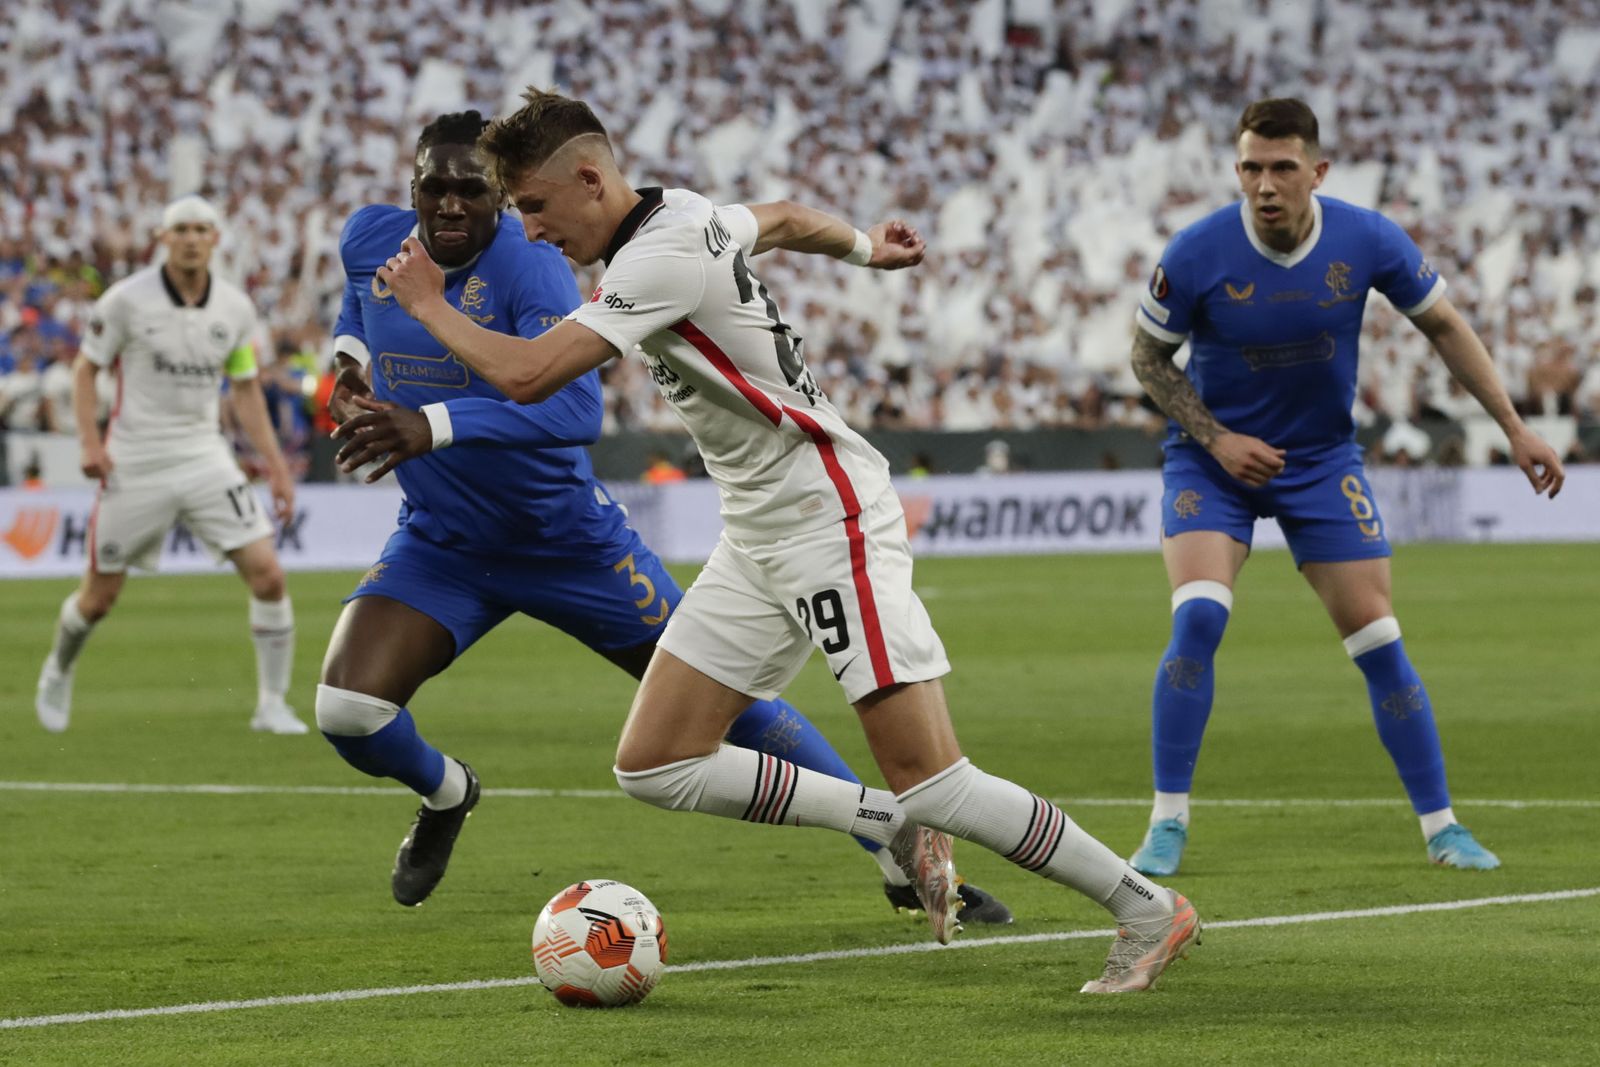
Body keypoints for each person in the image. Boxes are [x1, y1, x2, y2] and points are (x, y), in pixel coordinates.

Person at [376, 88, 1198, 993]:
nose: (530, 230)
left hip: (827, 518)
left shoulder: (661, 255)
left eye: (534, 205)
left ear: (591, 179)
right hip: (758, 531)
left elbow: (531, 374)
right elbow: (781, 218)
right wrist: (866, 248)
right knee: (657, 762)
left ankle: (1145, 906)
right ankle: (888, 823)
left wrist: (429, 305)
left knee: (937, 778)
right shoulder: (684, 212)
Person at [321, 112, 1010, 926]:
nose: (449, 204)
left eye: (472, 189)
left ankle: (894, 848)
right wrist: (349, 366)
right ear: (410, 187)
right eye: (433, 186)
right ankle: (448, 791)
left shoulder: (532, 264)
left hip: (566, 541)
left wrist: (430, 422)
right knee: (348, 712)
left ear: (501, 198)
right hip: (441, 539)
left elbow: (572, 408)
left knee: (729, 705)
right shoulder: (372, 240)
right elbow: (358, 311)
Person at [1125, 98, 1566, 877]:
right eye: (1251, 168)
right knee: (1198, 617)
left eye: (1282, 167)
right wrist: (1218, 439)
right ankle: (1166, 822)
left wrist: (1514, 425)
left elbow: (1444, 325)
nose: (1265, 184)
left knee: (1379, 640)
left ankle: (1443, 828)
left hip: (1321, 463)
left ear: (1318, 171)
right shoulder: (1196, 252)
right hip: (1211, 462)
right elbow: (1146, 357)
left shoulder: (1367, 239)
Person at [35, 196, 303, 735]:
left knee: (268, 574)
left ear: (215, 240)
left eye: (201, 230)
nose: (191, 239)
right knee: (99, 598)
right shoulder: (125, 301)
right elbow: (86, 370)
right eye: (181, 229)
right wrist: (89, 444)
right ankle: (57, 670)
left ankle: (272, 704)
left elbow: (245, 388)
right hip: (136, 459)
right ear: (162, 238)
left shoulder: (235, 308)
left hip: (204, 454)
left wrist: (276, 466)